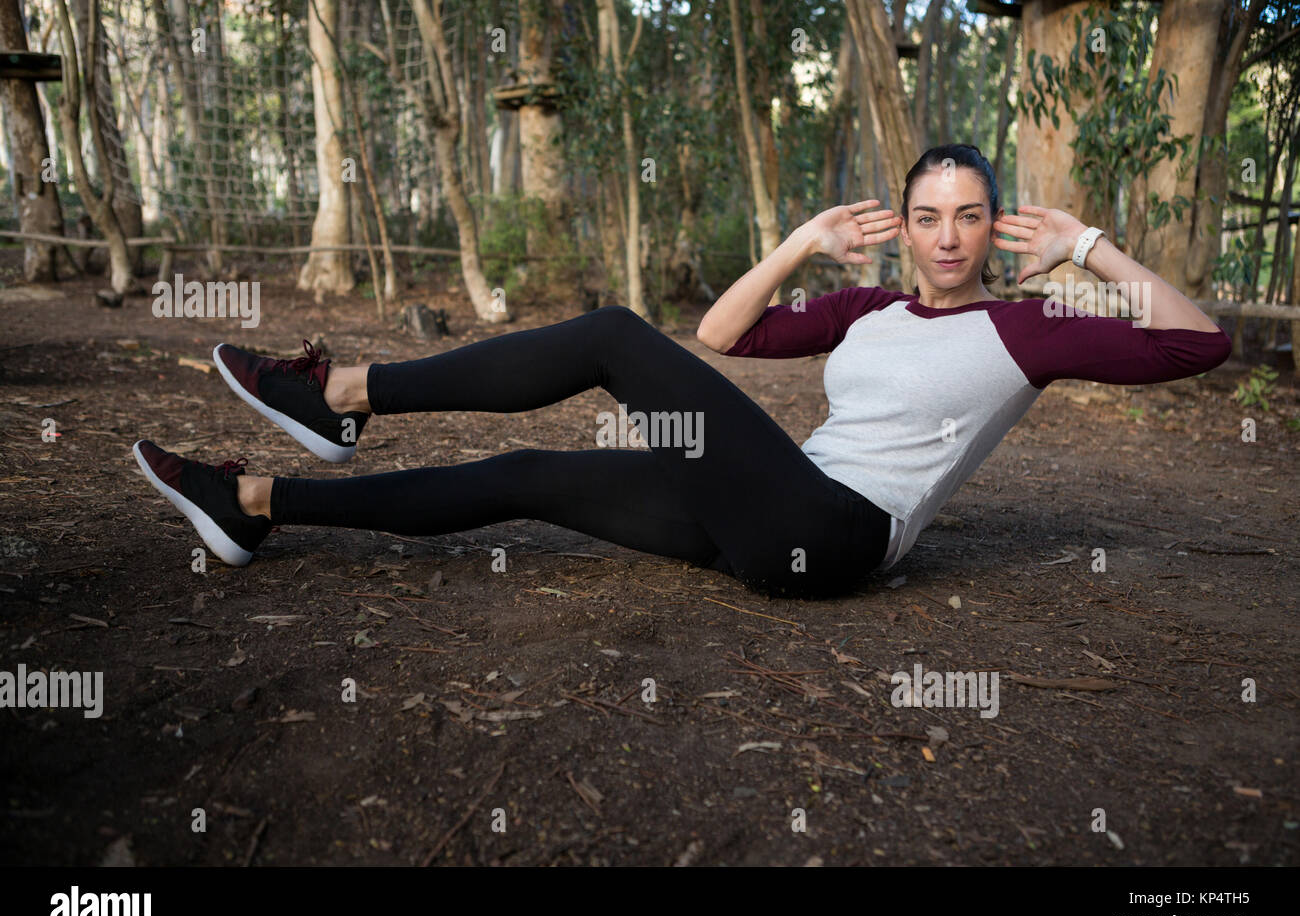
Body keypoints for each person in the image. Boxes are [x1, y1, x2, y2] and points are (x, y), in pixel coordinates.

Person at [133, 144, 1231, 600]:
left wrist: (1088, 247)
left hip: (834, 536)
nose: (948, 237)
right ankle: (256, 502)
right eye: (927, 216)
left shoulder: (1028, 329)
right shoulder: (867, 306)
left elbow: (1198, 344)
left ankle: (337, 396)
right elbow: (726, 334)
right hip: (770, 506)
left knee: (612, 335)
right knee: (524, 471)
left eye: (971, 217)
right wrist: (802, 243)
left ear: (995, 229)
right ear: (900, 226)